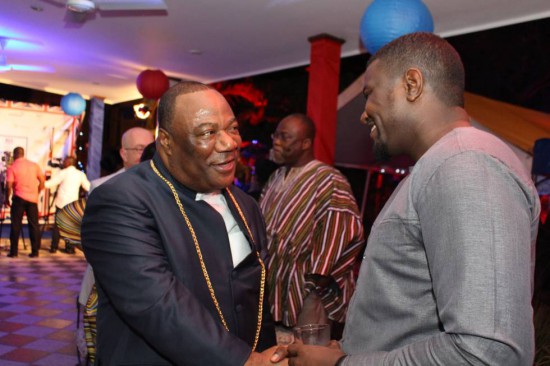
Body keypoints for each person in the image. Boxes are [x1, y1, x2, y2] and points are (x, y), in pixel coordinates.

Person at [272, 32, 540, 366]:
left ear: (412, 84)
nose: (363, 113)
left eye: (369, 94)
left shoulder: (465, 164)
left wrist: (343, 365)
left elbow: (486, 354)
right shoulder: (439, 165)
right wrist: (351, 351)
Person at [81, 81, 280, 365]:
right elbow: (158, 304)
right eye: (208, 132)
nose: (230, 143)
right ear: (167, 142)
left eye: (232, 128)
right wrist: (248, 362)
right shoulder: (120, 200)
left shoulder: (245, 204)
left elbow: (255, 298)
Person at [259, 113, 364, 338]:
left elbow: (341, 235)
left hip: (307, 301)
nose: (276, 141)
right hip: (272, 299)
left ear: (305, 143)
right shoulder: (276, 176)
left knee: (307, 356)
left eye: (284, 137)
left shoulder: (330, 181)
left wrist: (314, 288)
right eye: (275, 135)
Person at [4, 147, 45, 258]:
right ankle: (35, 251)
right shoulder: (34, 165)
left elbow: (9, 185)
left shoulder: (12, 167)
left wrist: (7, 198)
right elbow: (42, 180)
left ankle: (14, 252)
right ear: (23, 154)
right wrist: (38, 190)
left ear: (14, 155)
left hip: (19, 198)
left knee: (16, 225)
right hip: (32, 199)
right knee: (34, 225)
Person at [44, 156, 90, 253]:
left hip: (61, 202)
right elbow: (87, 187)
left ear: (68, 163)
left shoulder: (63, 173)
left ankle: (54, 247)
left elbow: (50, 184)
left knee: (57, 226)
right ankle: (69, 249)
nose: (63, 163)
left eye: (64, 162)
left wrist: (40, 183)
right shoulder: (80, 174)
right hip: (72, 204)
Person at [89, 126, 155, 190]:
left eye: (150, 149)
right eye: (140, 149)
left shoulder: (161, 187)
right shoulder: (101, 188)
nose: (147, 155)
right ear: (124, 154)